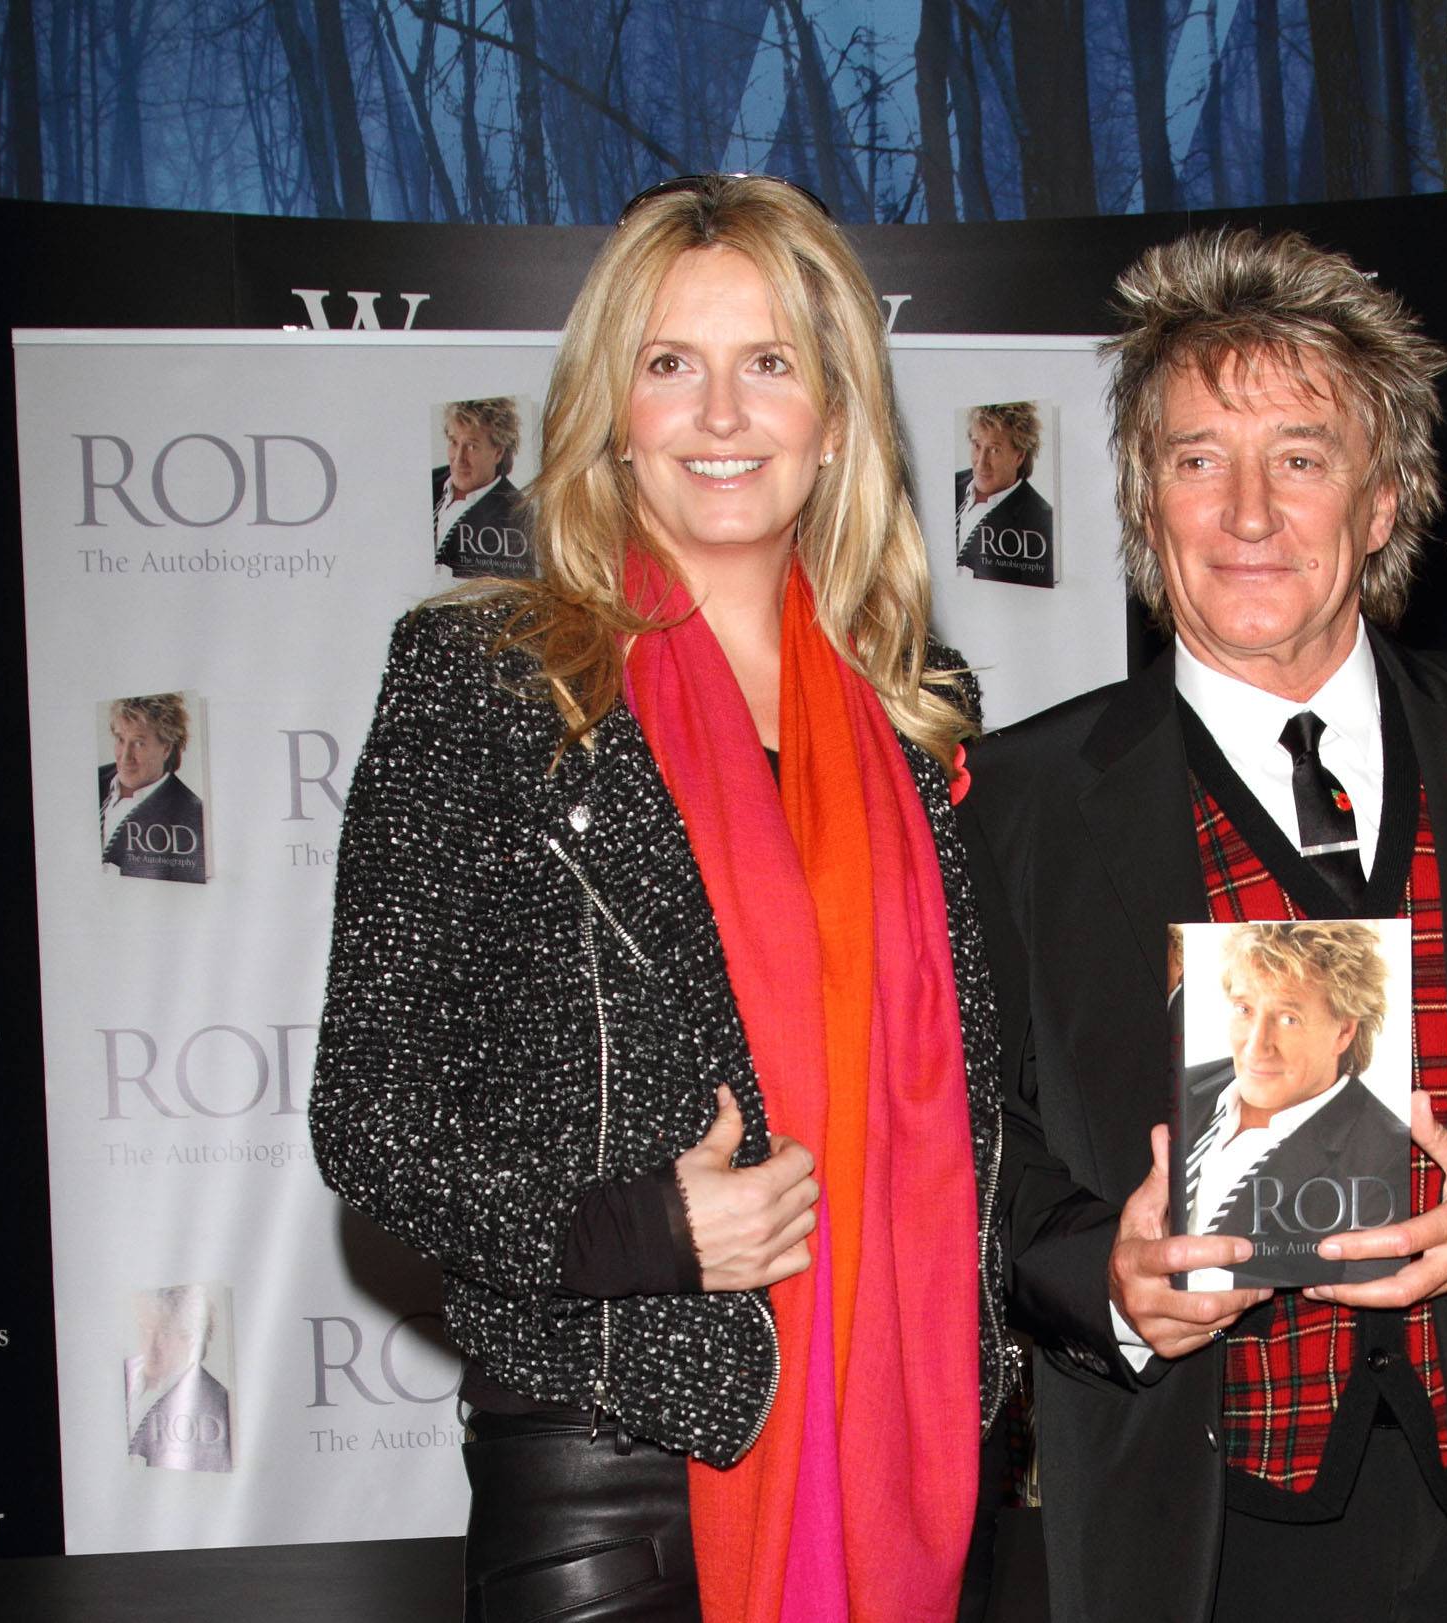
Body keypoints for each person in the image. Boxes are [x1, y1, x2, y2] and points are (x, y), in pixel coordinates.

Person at [956, 228, 1447, 1623]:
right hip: (1187, 1525)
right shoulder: (1013, 799)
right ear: (1147, 500)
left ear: (1383, 501)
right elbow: (962, 1142)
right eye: (1198, 457)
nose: (1249, 511)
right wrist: (1107, 1275)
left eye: (1302, 456)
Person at [311, 174, 1009, 1623]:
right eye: (670, 365)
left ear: (835, 415)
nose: (721, 413)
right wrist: (644, 1231)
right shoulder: (488, 682)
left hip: (904, 1428)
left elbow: (977, 1099)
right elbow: (368, 1114)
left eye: (770, 364)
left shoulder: (921, 715)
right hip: (609, 1456)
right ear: (610, 411)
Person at [1183, 921, 1406, 1288]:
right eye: (1244, 1009)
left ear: (1344, 1030)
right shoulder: (1185, 1084)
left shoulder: (1386, 1157)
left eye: (1289, 1018)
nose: (1257, 1046)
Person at [99, 693, 206, 883]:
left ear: (166, 748)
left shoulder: (193, 816)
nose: (125, 757)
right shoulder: (97, 779)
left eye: (139, 743)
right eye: (120, 739)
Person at [124, 1284, 232, 1473]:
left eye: (165, 1333)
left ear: (190, 1338)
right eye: (147, 1330)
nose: (152, 1345)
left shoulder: (218, 1403)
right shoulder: (123, 1374)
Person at [953, 402, 1054, 586]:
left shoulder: (1043, 522)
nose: (981, 463)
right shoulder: (951, 484)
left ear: (1019, 456)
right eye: (977, 445)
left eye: (994, 450)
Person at [432, 398, 533, 578]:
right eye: (454, 442)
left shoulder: (518, 514)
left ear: (498, 452)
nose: (458, 458)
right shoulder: (432, 481)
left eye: (471, 446)